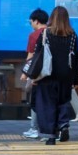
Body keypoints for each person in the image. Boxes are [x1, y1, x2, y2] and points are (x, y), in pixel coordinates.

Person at [30, 6, 78, 145]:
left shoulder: (45, 33)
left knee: (47, 104)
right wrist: (75, 79)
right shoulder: (73, 35)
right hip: (66, 75)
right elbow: (76, 59)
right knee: (63, 101)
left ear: (52, 18)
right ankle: (63, 124)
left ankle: (50, 135)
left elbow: (37, 56)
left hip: (47, 74)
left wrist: (34, 77)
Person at [21, 9, 49, 139]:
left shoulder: (34, 35)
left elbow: (30, 56)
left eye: (31, 21)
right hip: (50, 71)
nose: (31, 24)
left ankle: (34, 128)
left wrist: (26, 73)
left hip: (36, 72)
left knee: (34, 100)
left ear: (36, 21)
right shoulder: (52, 32)